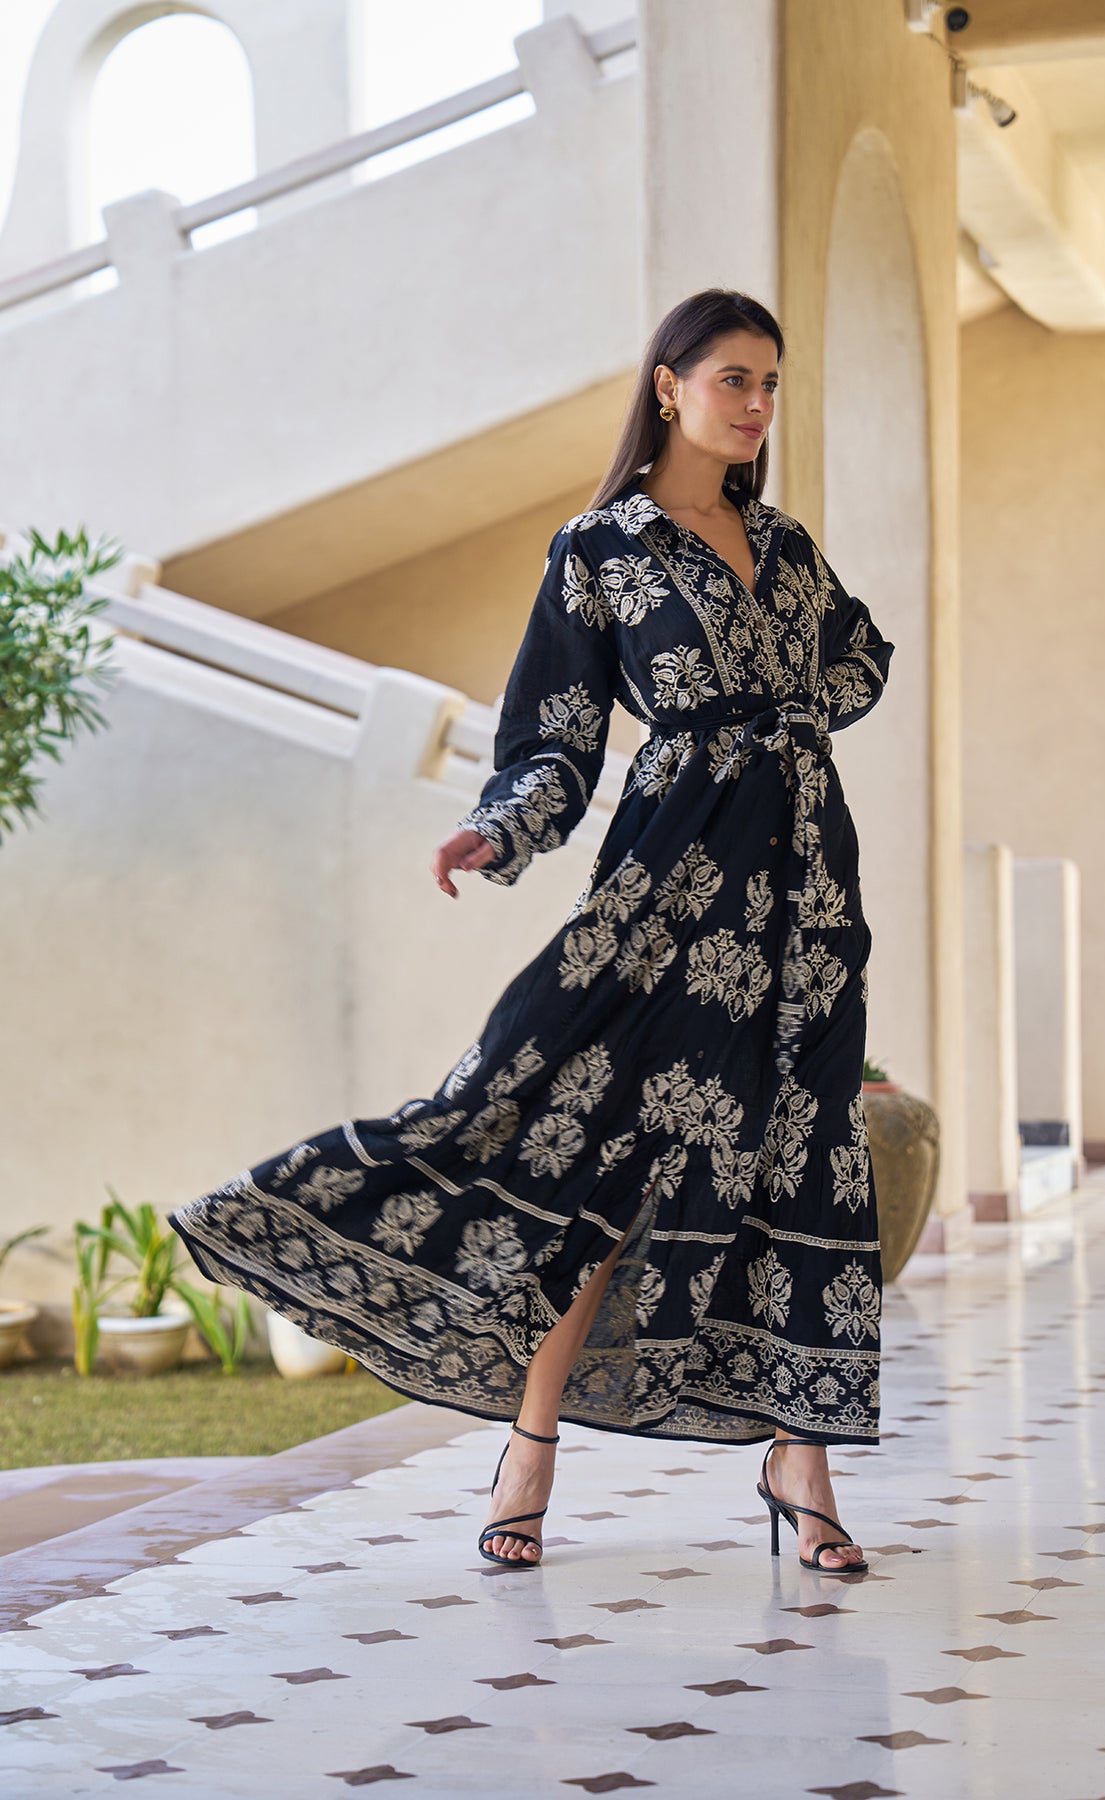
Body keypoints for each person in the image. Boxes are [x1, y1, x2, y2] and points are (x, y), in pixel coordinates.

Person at [168, 287, 895, 1577]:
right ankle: (529, 1441)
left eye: (771, 384)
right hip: (673, 882)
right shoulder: (599, 548)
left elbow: (863, 660)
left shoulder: (785, 546)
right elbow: (555, 737)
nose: (757, 404)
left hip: (806, 892)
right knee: (593, 1144)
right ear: (668, 386)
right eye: (734, 379)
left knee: (802, 1147)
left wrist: (783, 721)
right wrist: (499, 830)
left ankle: (802, 1459)